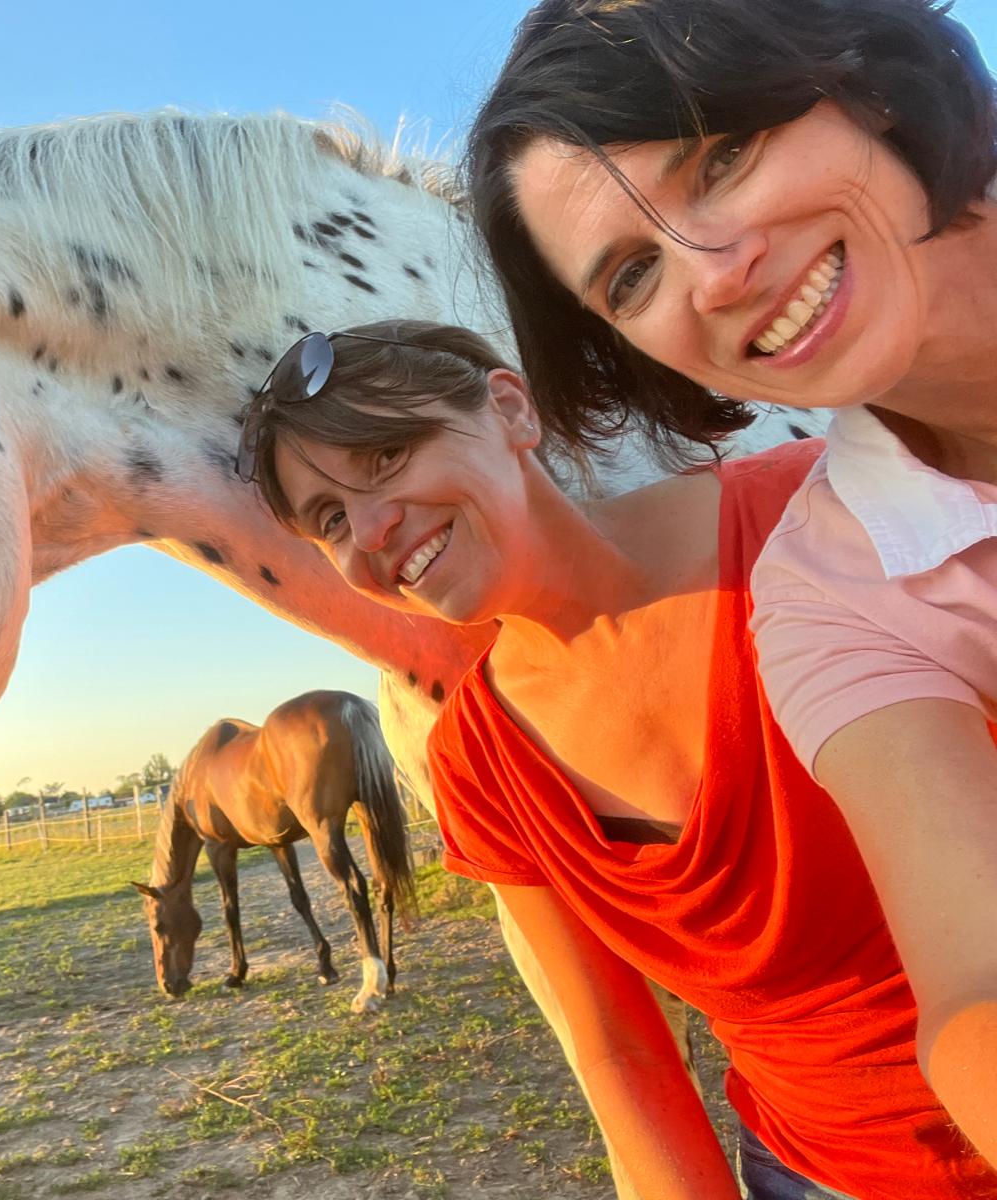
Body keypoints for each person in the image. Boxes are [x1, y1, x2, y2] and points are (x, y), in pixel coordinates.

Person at [239, 318, 997, 1199]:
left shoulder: (810, 515)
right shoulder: (479, 763)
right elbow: (618, 1047)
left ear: (511, 410)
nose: (370, 530)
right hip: (810, 1174)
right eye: (331, 519)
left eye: (387, 455)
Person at [465, 0, 997, 1172]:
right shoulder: (827, 594)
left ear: (860, 76)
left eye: (723, 156)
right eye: (632, 275)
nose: (712, 275)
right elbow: (975, 993)